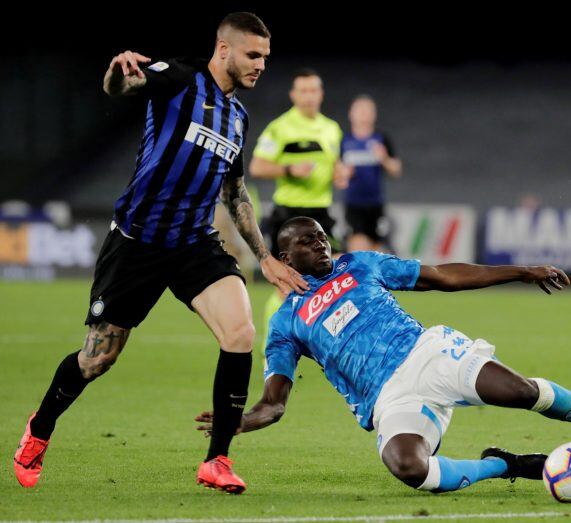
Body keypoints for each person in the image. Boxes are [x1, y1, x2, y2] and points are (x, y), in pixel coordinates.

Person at [13, 12, 308, 495]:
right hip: (137, 243)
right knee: (96, 360)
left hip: (193, 243)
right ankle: (39, 429)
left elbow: (235, 193)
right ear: (224, 49)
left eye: (266, 58)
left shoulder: (238, 116)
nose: (261, 65)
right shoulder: (178, 79)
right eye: (254, 55)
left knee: (240, 331)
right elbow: (121, 88)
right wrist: (116, 72)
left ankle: (216, 460)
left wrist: (266, 257)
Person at [196, 217, 571, 493]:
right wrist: (237, 420)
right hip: (387, 399)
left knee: (520, 392)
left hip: (426, 353)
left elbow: (442, 275)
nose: (321, 244)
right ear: (284, 255)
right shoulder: (285, 322)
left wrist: (520, 271)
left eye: (322, 236)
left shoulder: (359, 263)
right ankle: (507, 464)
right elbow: (274, 402)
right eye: (307, 241)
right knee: (409, 469)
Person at [249, 69, 350, 351]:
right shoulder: (280, 128)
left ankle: (324, 342)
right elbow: (257, 166)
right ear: (293, 95)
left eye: (313, 90)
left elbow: (334, 164)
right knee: (286, 285)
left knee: (337, 277)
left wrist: (339, 173)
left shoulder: (332, 128)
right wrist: (289, 168)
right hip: (290, 215)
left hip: (322, 214)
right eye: (302, 91)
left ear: (320, 94)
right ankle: (274, 348)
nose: (308, 96)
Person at [341, 95, 402, 252]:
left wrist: (385, 159)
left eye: (367, 111)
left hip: (375, 204)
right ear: (351, 114)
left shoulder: (381, 139)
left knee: (376, 249)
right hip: (354, 205)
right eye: (360, 110)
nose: (363, 114)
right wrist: (343, 173)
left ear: (374, 114)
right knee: (358, 247)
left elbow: (396, 170)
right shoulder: (343, 141)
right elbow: (335, 175)